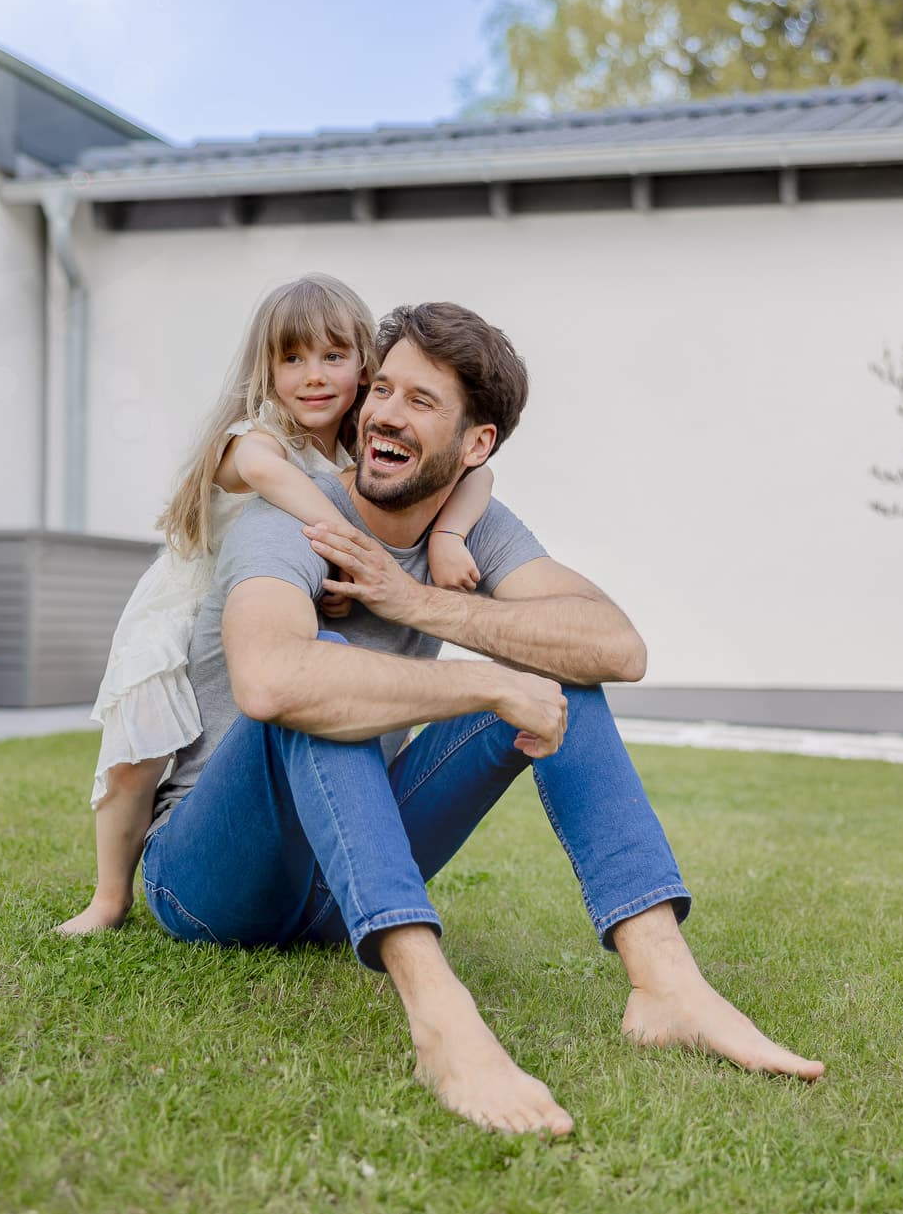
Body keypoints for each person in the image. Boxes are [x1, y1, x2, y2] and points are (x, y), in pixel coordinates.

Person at [137, 301, 825, 1135]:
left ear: (475, 447)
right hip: (208, 879)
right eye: (381, 388)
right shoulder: (297, 517)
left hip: (338, 875)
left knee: (559, 666)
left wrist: (416, 601)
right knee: (319, 670)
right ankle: (439, 1013)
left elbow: (617, 644)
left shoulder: (473, 527)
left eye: (420, 401)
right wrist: (483, 684)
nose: (384, 412)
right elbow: (271, 680)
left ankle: (666, 983)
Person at [54, 274, 494, 935]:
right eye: (292, 359)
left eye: (332, 357)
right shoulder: (251, 439)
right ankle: (110, 896)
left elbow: (477, 470)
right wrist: (350, 546)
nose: (312, 376)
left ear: (364, 367)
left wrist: (453, 533)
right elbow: (267, 477)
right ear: (266, 368)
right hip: (188, 606)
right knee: (134, 759)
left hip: (281, 606)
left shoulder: (362, 448)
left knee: (314, 687)